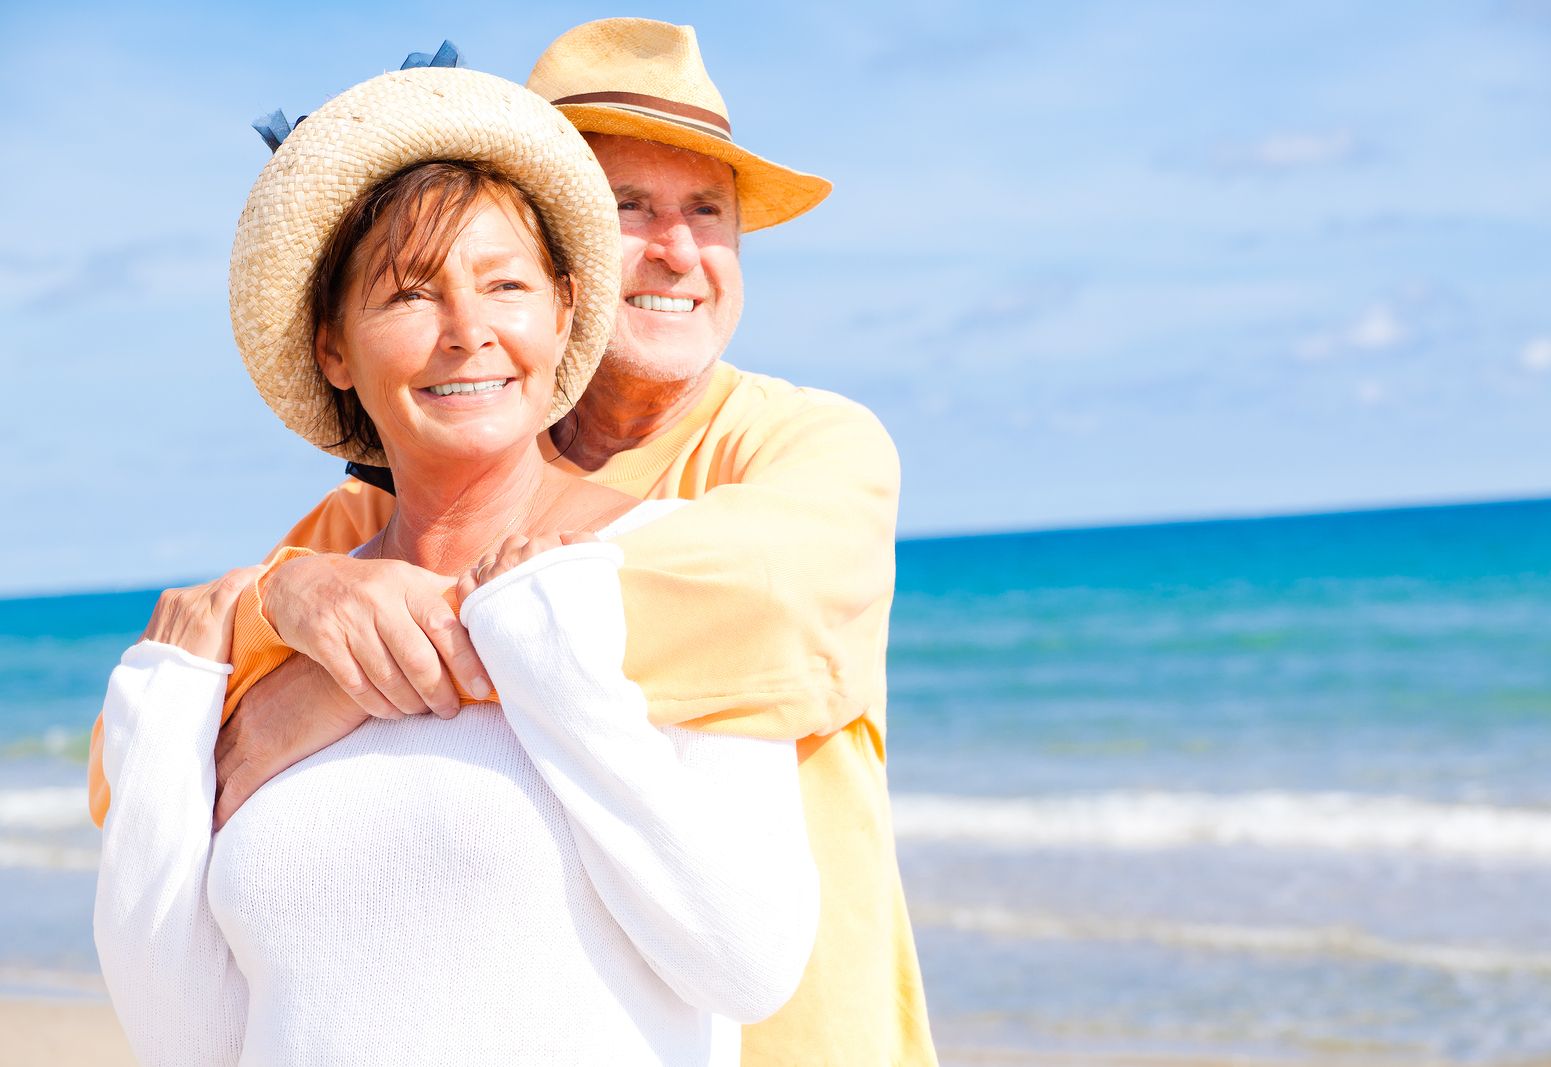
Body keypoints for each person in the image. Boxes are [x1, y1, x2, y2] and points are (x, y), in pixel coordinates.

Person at [89, 18, 940, 1066]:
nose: (675, 249)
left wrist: (339, 679)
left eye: (706, 211)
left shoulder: (798, 447)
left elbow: (758, 599)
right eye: (630, 206)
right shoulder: (368, 514)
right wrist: (291, 598)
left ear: (552, 288)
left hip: (813, 1039)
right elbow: (142, 772)